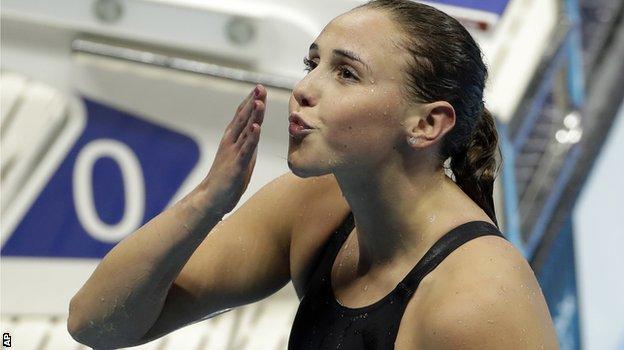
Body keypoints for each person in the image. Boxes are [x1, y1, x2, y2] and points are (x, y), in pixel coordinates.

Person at [68, 0, 560, 348]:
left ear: (427, 124)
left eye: (346, 74)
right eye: (313, 63)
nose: (304, 88)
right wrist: (206, 202)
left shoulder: (476, 302)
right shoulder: (314, 208)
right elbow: (97, 324)